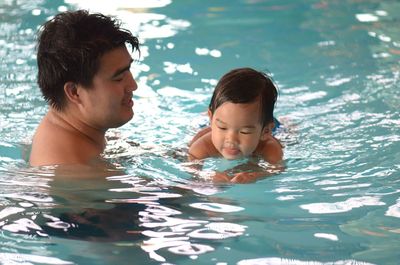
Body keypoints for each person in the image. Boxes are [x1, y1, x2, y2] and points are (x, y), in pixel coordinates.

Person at [29, 10, 140, 166]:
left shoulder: (69, 126)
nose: (133, 86)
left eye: (128, 69)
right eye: (119, 78)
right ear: (75, 92)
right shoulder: (74, 170)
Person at [188, 68, 283, 183]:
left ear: (265, 132)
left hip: (277, 129)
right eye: (223, 128)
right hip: (209, 125)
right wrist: (205, 175)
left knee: (287, 135)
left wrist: (256, 175)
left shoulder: (269, 147)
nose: (231, 140)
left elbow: (277, 169)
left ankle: (287, 122)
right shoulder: (204, 145)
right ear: (211, 119)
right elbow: (191, 163)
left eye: (244, 132)